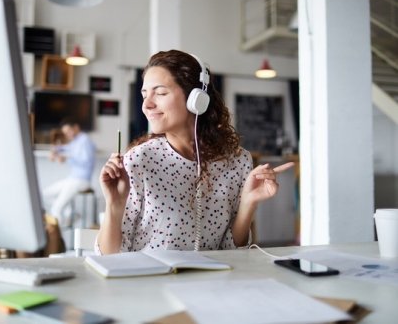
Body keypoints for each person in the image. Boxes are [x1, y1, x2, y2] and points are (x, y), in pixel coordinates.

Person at [96, 50, 293, 254]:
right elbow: (110, 256)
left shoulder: (238, 161)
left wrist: (248, 203)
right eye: (144, 95)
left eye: (161, 93)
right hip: (149, 282)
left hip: (211, 282)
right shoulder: (139, 160)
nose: (147, 104)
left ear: (196, 99)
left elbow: (231, 250)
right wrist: (114, 205)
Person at [43, 117, 96, 226]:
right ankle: (70, 213)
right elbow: (65, 148)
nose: (67, 135)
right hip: (72, 179)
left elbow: (86, 161)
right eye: (65, 133)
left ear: (76, 127)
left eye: (68, 131)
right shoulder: (76, 141)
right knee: (44, 195)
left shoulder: (85, 140)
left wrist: (67, 158)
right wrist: (55, 151)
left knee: (56, 208)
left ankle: (58, 237)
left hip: (81, 180)